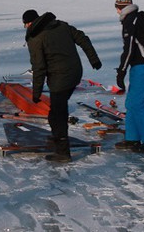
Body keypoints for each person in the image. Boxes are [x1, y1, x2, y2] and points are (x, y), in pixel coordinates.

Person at [22, 9, 102, 162]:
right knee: (56, 111)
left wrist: (36, 92)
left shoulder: (36, 38)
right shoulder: (61, 26)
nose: (26, 28)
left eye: (26, 24)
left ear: (30, 23)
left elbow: (39, 67)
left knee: (58, 114)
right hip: (75, 73)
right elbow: (83, 38)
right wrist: (94, 59)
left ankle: (63, 152)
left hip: (60, 78)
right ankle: (57, 138)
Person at [113, 0, 144, 153]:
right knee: (130, 103)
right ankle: (132, 139)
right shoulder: (138, 17)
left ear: (121, 7)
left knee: (137, 104)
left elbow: (129, 48)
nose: (116, 11)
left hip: (142, 65)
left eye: (117, 7)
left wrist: (121, 71)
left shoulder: (130, 20)